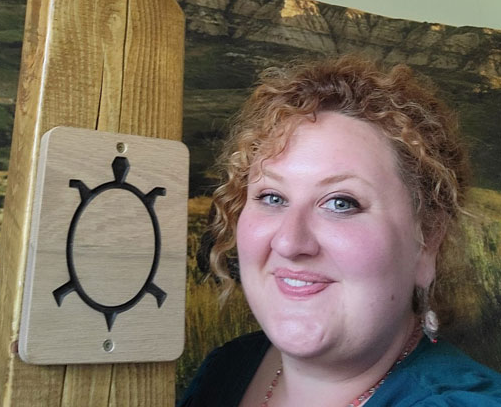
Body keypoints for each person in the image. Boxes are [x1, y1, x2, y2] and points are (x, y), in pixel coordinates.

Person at [178, 56, 501, 406]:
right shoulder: (228, 367)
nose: (289, 241)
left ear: (427, 242)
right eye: (272, 196)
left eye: (341, 203)